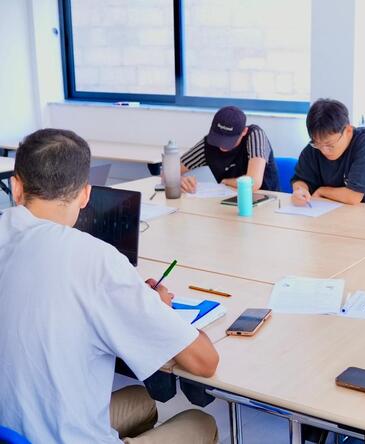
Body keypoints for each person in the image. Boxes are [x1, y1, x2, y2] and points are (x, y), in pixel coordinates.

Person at [0, 129, 220, 443]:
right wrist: (158, 309)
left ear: (16, 187)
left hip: (9, 430)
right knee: (199, 423)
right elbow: (205, 361)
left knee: (141, 400)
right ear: (85, 194)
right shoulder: (96, 261)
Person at [290, 98, 365, 206]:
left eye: (330, 145)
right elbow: (300, 179)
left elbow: (353, 197)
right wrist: (300, 190)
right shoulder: (315, 146)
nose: (324, 150)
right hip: (326, 211)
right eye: (318, 144)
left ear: (348, 131)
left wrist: (322, 191)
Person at [180, 105, 280, 193]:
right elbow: (172, 169)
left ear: (244, 131)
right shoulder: (208, 143)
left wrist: (225, 182)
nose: (222, 145)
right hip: (225, 201)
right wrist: (178, 180)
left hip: (265, 199)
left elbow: (253, 183)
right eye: (218, 138)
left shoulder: (255, 135)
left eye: (229, 140)